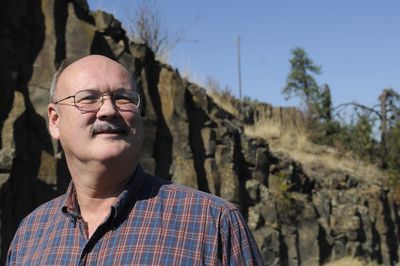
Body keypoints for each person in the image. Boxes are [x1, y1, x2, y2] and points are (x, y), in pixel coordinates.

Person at [6, 55, 264, 265]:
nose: (108, 110)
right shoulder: (30, 234)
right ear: (55, 120)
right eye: (88, 98)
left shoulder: (213, 222)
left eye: (123, 98)